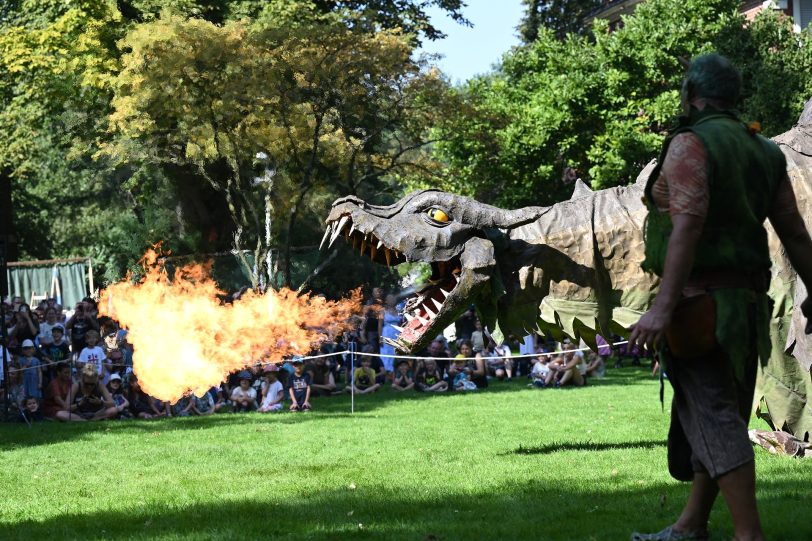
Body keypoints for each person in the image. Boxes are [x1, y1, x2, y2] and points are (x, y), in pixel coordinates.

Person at [628, 54, 812, 541]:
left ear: (691, 94)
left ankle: (748, 535)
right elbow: (794, 232)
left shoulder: (692, 143)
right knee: (715, 414)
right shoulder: (764, 149)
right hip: (744, 308)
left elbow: (687, 228)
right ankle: (690, 525)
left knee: (716, 418)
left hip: (699, 310)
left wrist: (662, 309)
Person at [378, 293, 402, 374]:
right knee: (386, 351)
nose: (392, 300)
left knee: (395, 351)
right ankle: (386, 370)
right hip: (386, 332)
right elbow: (380, 325)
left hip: (396, 332)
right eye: (390, 299)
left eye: (393, 298)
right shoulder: (382, 311)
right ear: (386, 301)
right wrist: (380, 337)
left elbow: (401, 324)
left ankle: (395, 370)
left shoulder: (399, 310)